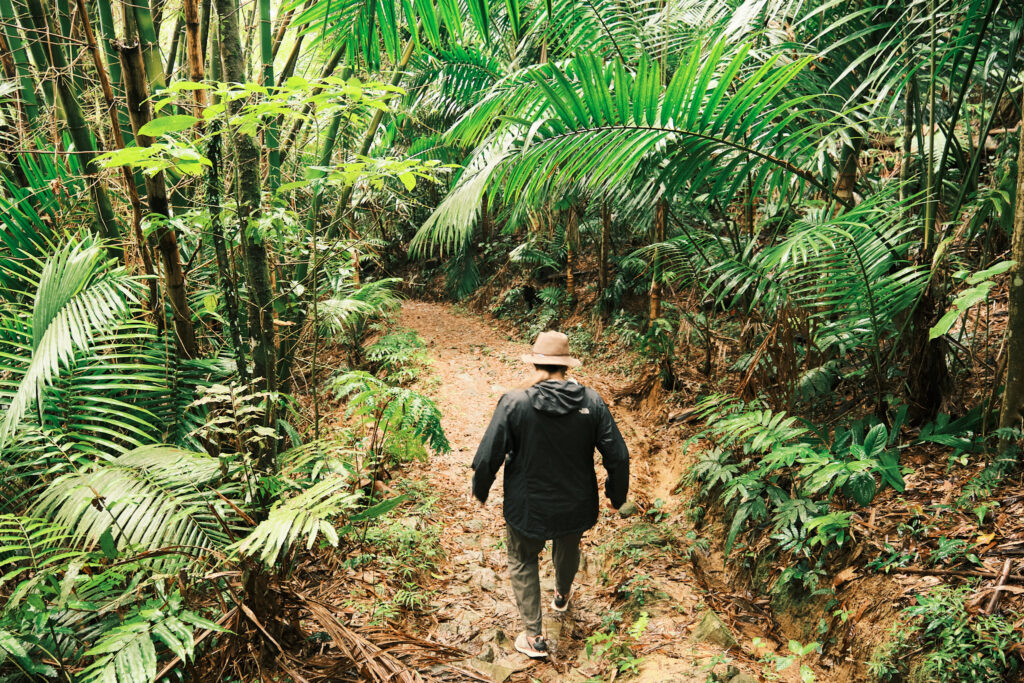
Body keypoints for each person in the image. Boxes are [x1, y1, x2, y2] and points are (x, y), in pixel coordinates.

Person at [471, 330, 630, 659]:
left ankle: (533, 637)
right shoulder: (591, 402)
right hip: (576, 502)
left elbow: (488, 456)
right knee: (568, 544)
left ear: (535, 364)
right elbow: (618, 455)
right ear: (566, 366)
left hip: (527, 505)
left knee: (522, 559)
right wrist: (616, 495)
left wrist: (481, 489)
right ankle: (562, 594)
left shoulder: (515, 403)